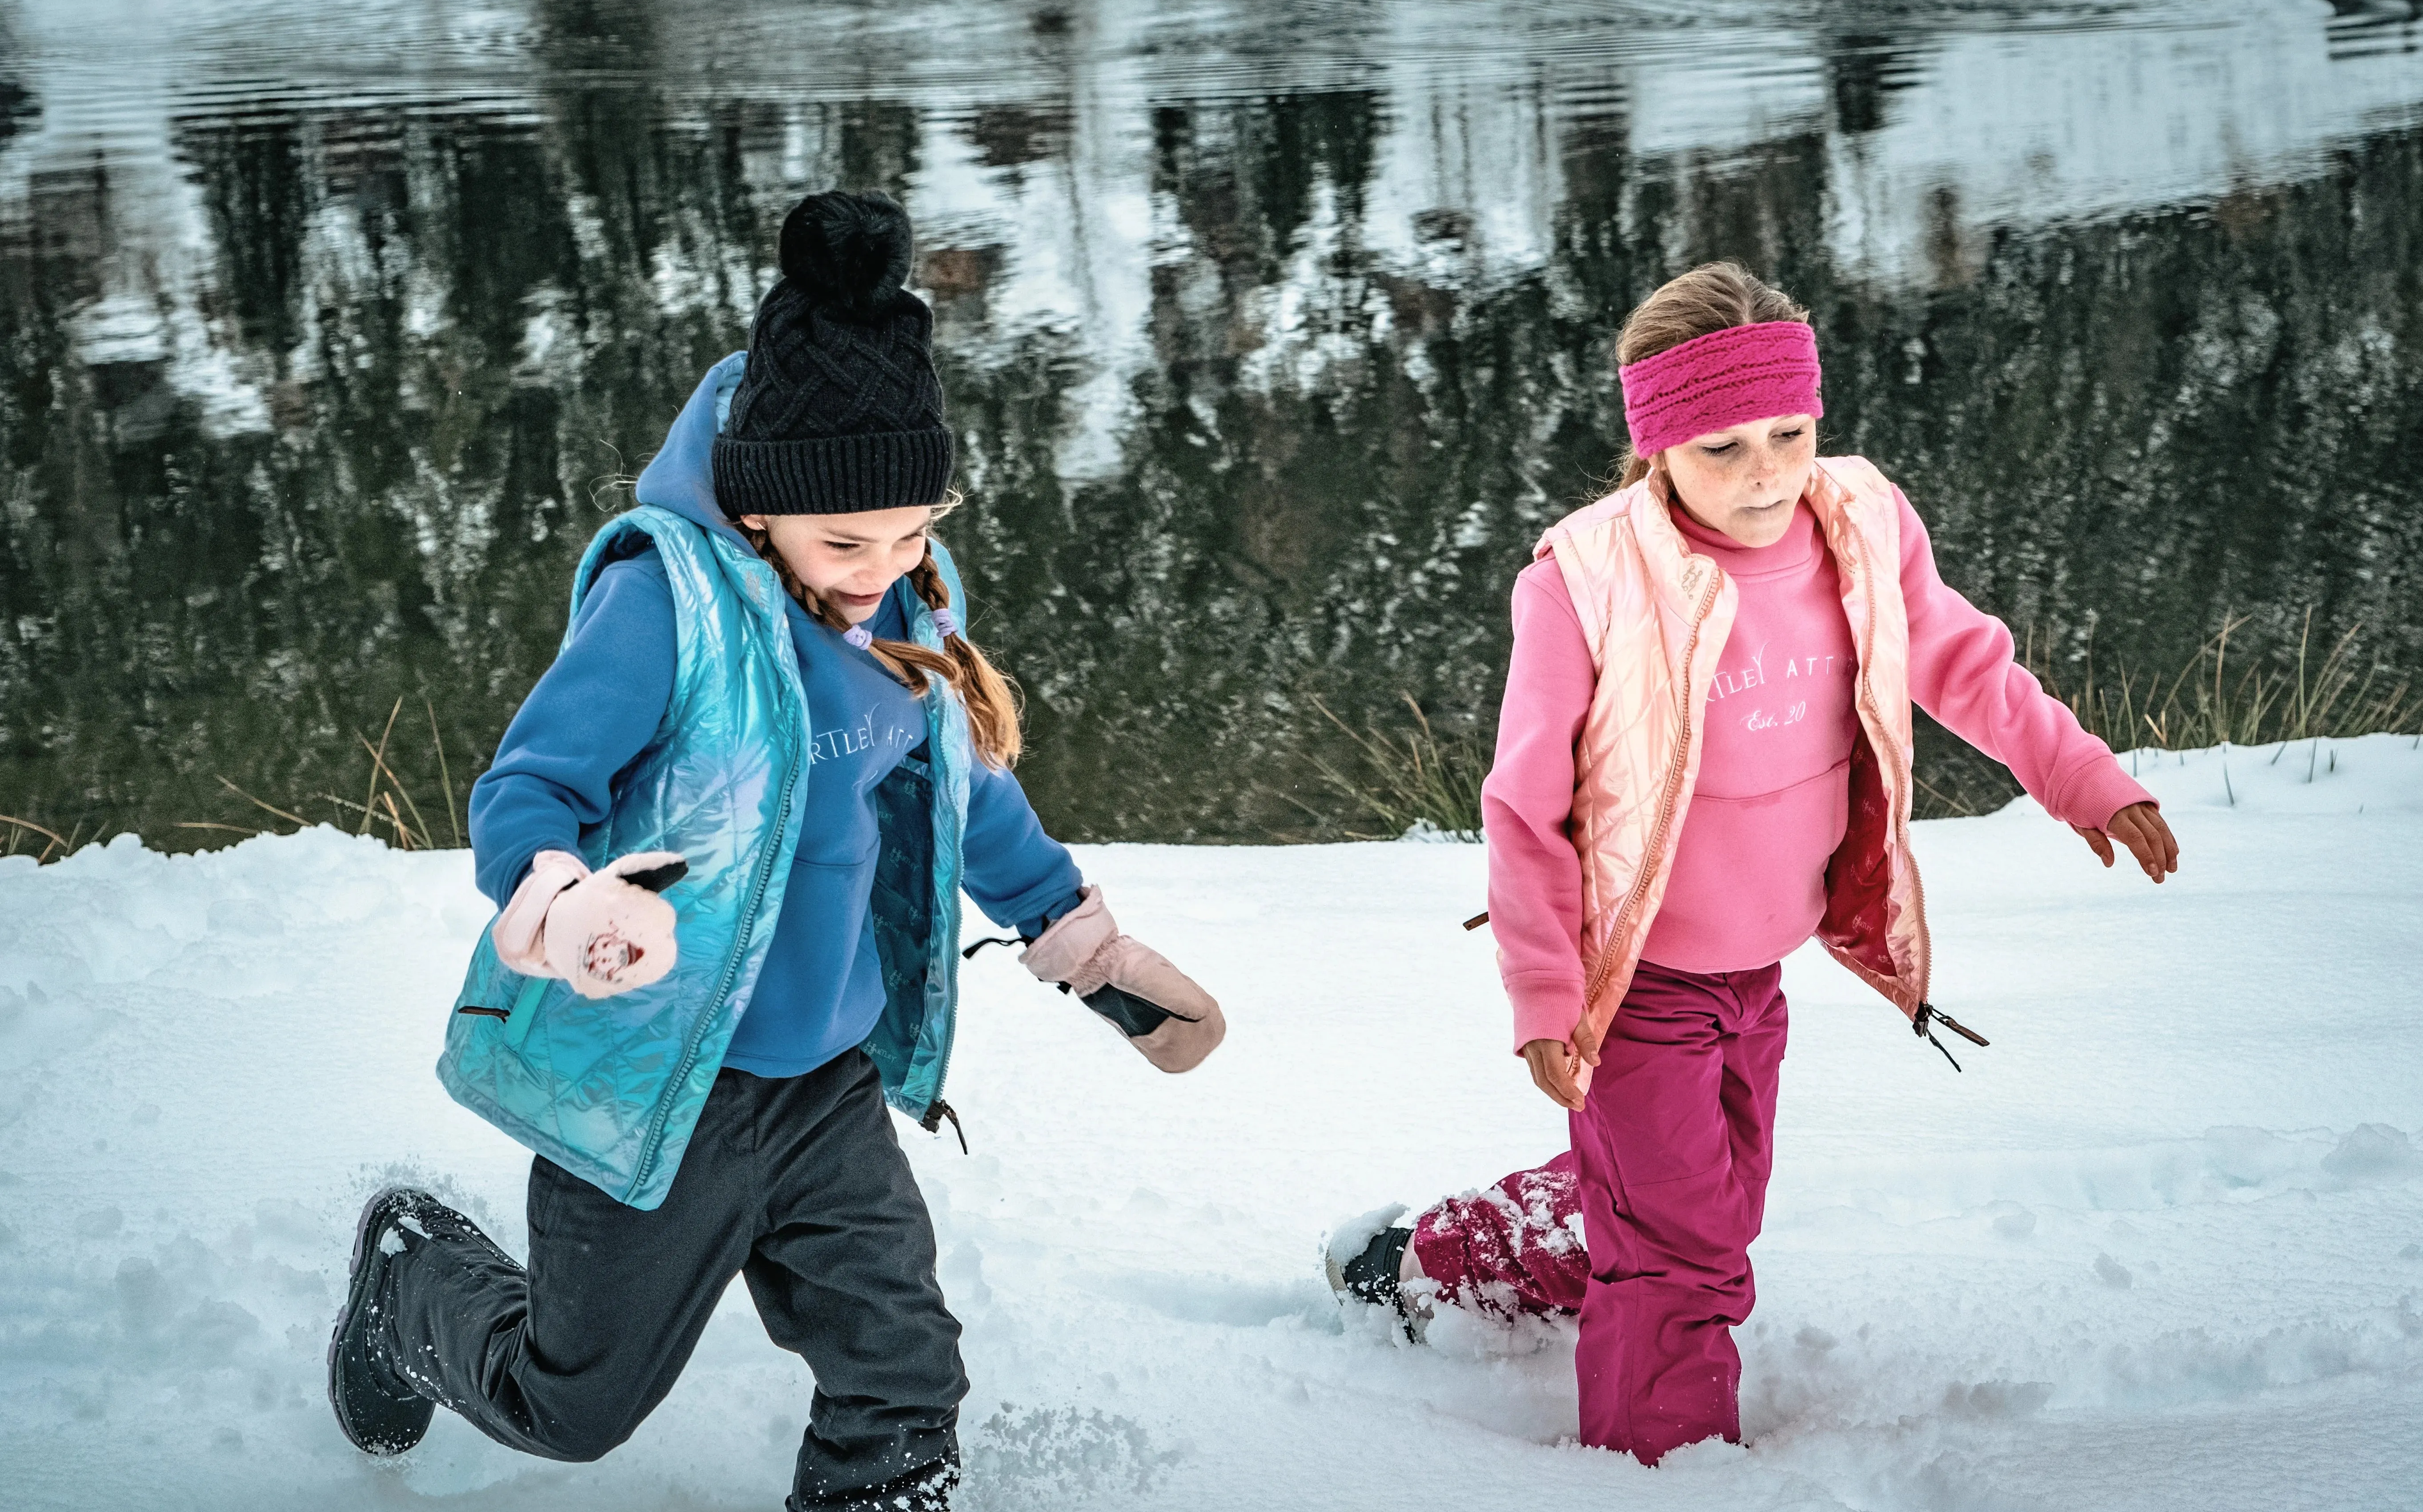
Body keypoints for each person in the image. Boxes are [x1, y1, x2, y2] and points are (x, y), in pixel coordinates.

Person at [325, 191, 1225, 1512]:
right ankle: (414, 1278)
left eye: (915, 530)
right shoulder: (664, 603)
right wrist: (559, 897)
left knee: (903, 1379)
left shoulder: (906, 610)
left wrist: (1077, 942)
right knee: (571, 1406)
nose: (886, 567)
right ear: (760, 511)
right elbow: (531, 785)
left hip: (822, 1085)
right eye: (848, 541)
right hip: (650, 1086)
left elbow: (959, 791)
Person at [1325, 261, 2179, 1466]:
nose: (1768, 471)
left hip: (1761, 965)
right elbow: (1525, 803)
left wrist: (2084, 775)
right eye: (1722, 447)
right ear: (1658, 446)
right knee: (1686, 1252)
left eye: (1788, 431)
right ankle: (1659, 1474)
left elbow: (1965, 663)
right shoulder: (1589, 581)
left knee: (1699, 1203)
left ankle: (1437, 1260)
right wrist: (1543, 998)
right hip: (1637, 978)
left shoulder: (1861, 528)